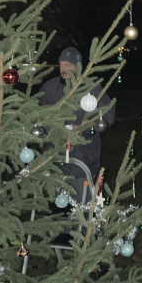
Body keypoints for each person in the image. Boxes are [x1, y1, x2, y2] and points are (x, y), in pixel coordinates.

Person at [38, 46, 115, 184]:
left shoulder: (93, 89)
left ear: (78, 66)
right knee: (56, 195)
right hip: (55, 153)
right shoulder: (49, 88)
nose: (63, 69)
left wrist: (84, 128)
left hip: (84, 153)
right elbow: (41, 115)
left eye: (68, 65)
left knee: (81, 193)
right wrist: (55, 130)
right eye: (61, 65)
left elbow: (107, 114)